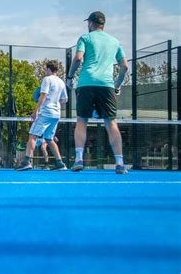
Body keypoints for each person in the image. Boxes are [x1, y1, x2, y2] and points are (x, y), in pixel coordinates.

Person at [66, 11, 129, 174]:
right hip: (107, 86)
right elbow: (124, 66)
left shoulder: (85, 38)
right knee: (111, 122)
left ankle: (79, 159)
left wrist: (69, 77)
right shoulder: (115, 41)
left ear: (91, 23)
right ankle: (120, 163)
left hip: (86, 84)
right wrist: (117, 85)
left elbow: (78, 58)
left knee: (81, 121)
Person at [16, 60, 68, 171]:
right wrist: (54, 100)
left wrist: (35, 112)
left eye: (46, 69)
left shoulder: (47, 79)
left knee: (33, 135)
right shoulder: (61, 82)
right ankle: (60, 163)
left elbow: (43, 95)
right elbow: (64, 100)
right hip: (56, 114)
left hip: (45, 112)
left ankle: (26, 161)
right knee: (49, 138)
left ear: (48, 69)